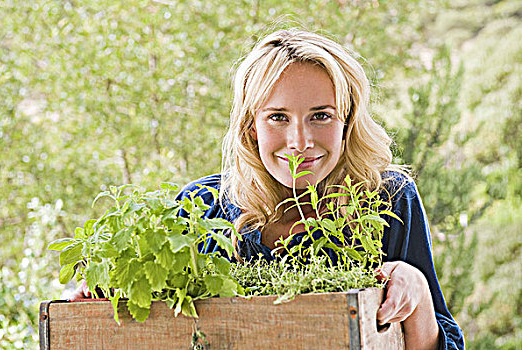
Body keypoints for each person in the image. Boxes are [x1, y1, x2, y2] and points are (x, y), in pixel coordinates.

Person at [71, 29, 464, 349]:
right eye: (278, 117)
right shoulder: (200, 207)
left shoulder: (387, 197)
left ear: (347, 122)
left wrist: (418, 292)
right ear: (250, 126)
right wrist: (101, 300)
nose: (299, 142)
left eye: (320, 116)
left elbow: (440, 341)